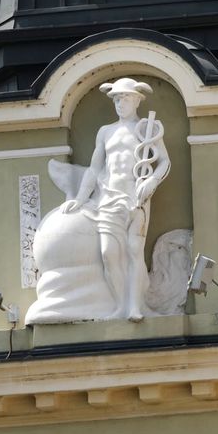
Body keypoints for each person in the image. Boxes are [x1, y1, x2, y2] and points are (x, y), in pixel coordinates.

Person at [62, 77, 170, 321]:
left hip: (136, 196)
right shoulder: (105, 131)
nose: (120, 103)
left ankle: (134, 306)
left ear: (137, 100)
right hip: (109, 197)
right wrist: (80, 198)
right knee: (108, 254)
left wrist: (152, 181)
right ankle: (120, 306)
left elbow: (164, 161)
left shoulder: (147, 129)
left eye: (126, 98)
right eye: (117, 98)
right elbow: (94, 168)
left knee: (134, 251)